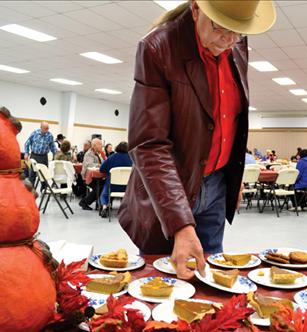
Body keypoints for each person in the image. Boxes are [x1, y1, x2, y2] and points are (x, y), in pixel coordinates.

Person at [118, 0, 276, 279]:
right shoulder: (158, 48)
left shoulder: (237, 43)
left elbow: (231, 119)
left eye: (237, 32)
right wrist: (180, 223)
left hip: (216, 185)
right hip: (170, 189)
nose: (228, 41)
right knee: (163, 281)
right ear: (195, 9)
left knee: (211, 276)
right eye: (219, 28)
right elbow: (148, 144)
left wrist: (233, 176)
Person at [99, 142, 133, 218]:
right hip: (127, 187)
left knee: (104, 193)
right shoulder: (132, 158)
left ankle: (104, 207)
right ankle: (129, 209)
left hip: (112, 186)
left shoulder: (111, 157)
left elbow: (101, 169)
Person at [24, 122, 56, 186]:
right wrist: (26, 153)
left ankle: (44, 189)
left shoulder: (50, 135)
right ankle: (31, 189)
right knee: (32, 174)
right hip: (34, 155)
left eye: (48, 128)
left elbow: (53, 146)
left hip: (43, 156)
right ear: (41, 127)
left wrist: (55, 155)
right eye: (45, 128)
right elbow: (27, 143)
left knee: (44, 175)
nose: (47, 130)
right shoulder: (34, 133)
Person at [79, 138, 105, 210]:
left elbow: (105, 162)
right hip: (88, 177)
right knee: (99, 188)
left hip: (98, 176)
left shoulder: (99, 153)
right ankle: (84, 202)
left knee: (105, 185)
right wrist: (99, 165)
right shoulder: (89, 154)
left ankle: (103, 204)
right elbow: (89, 165)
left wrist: (103, 155)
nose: (101, 145)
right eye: (99, 144)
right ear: (94, 145)